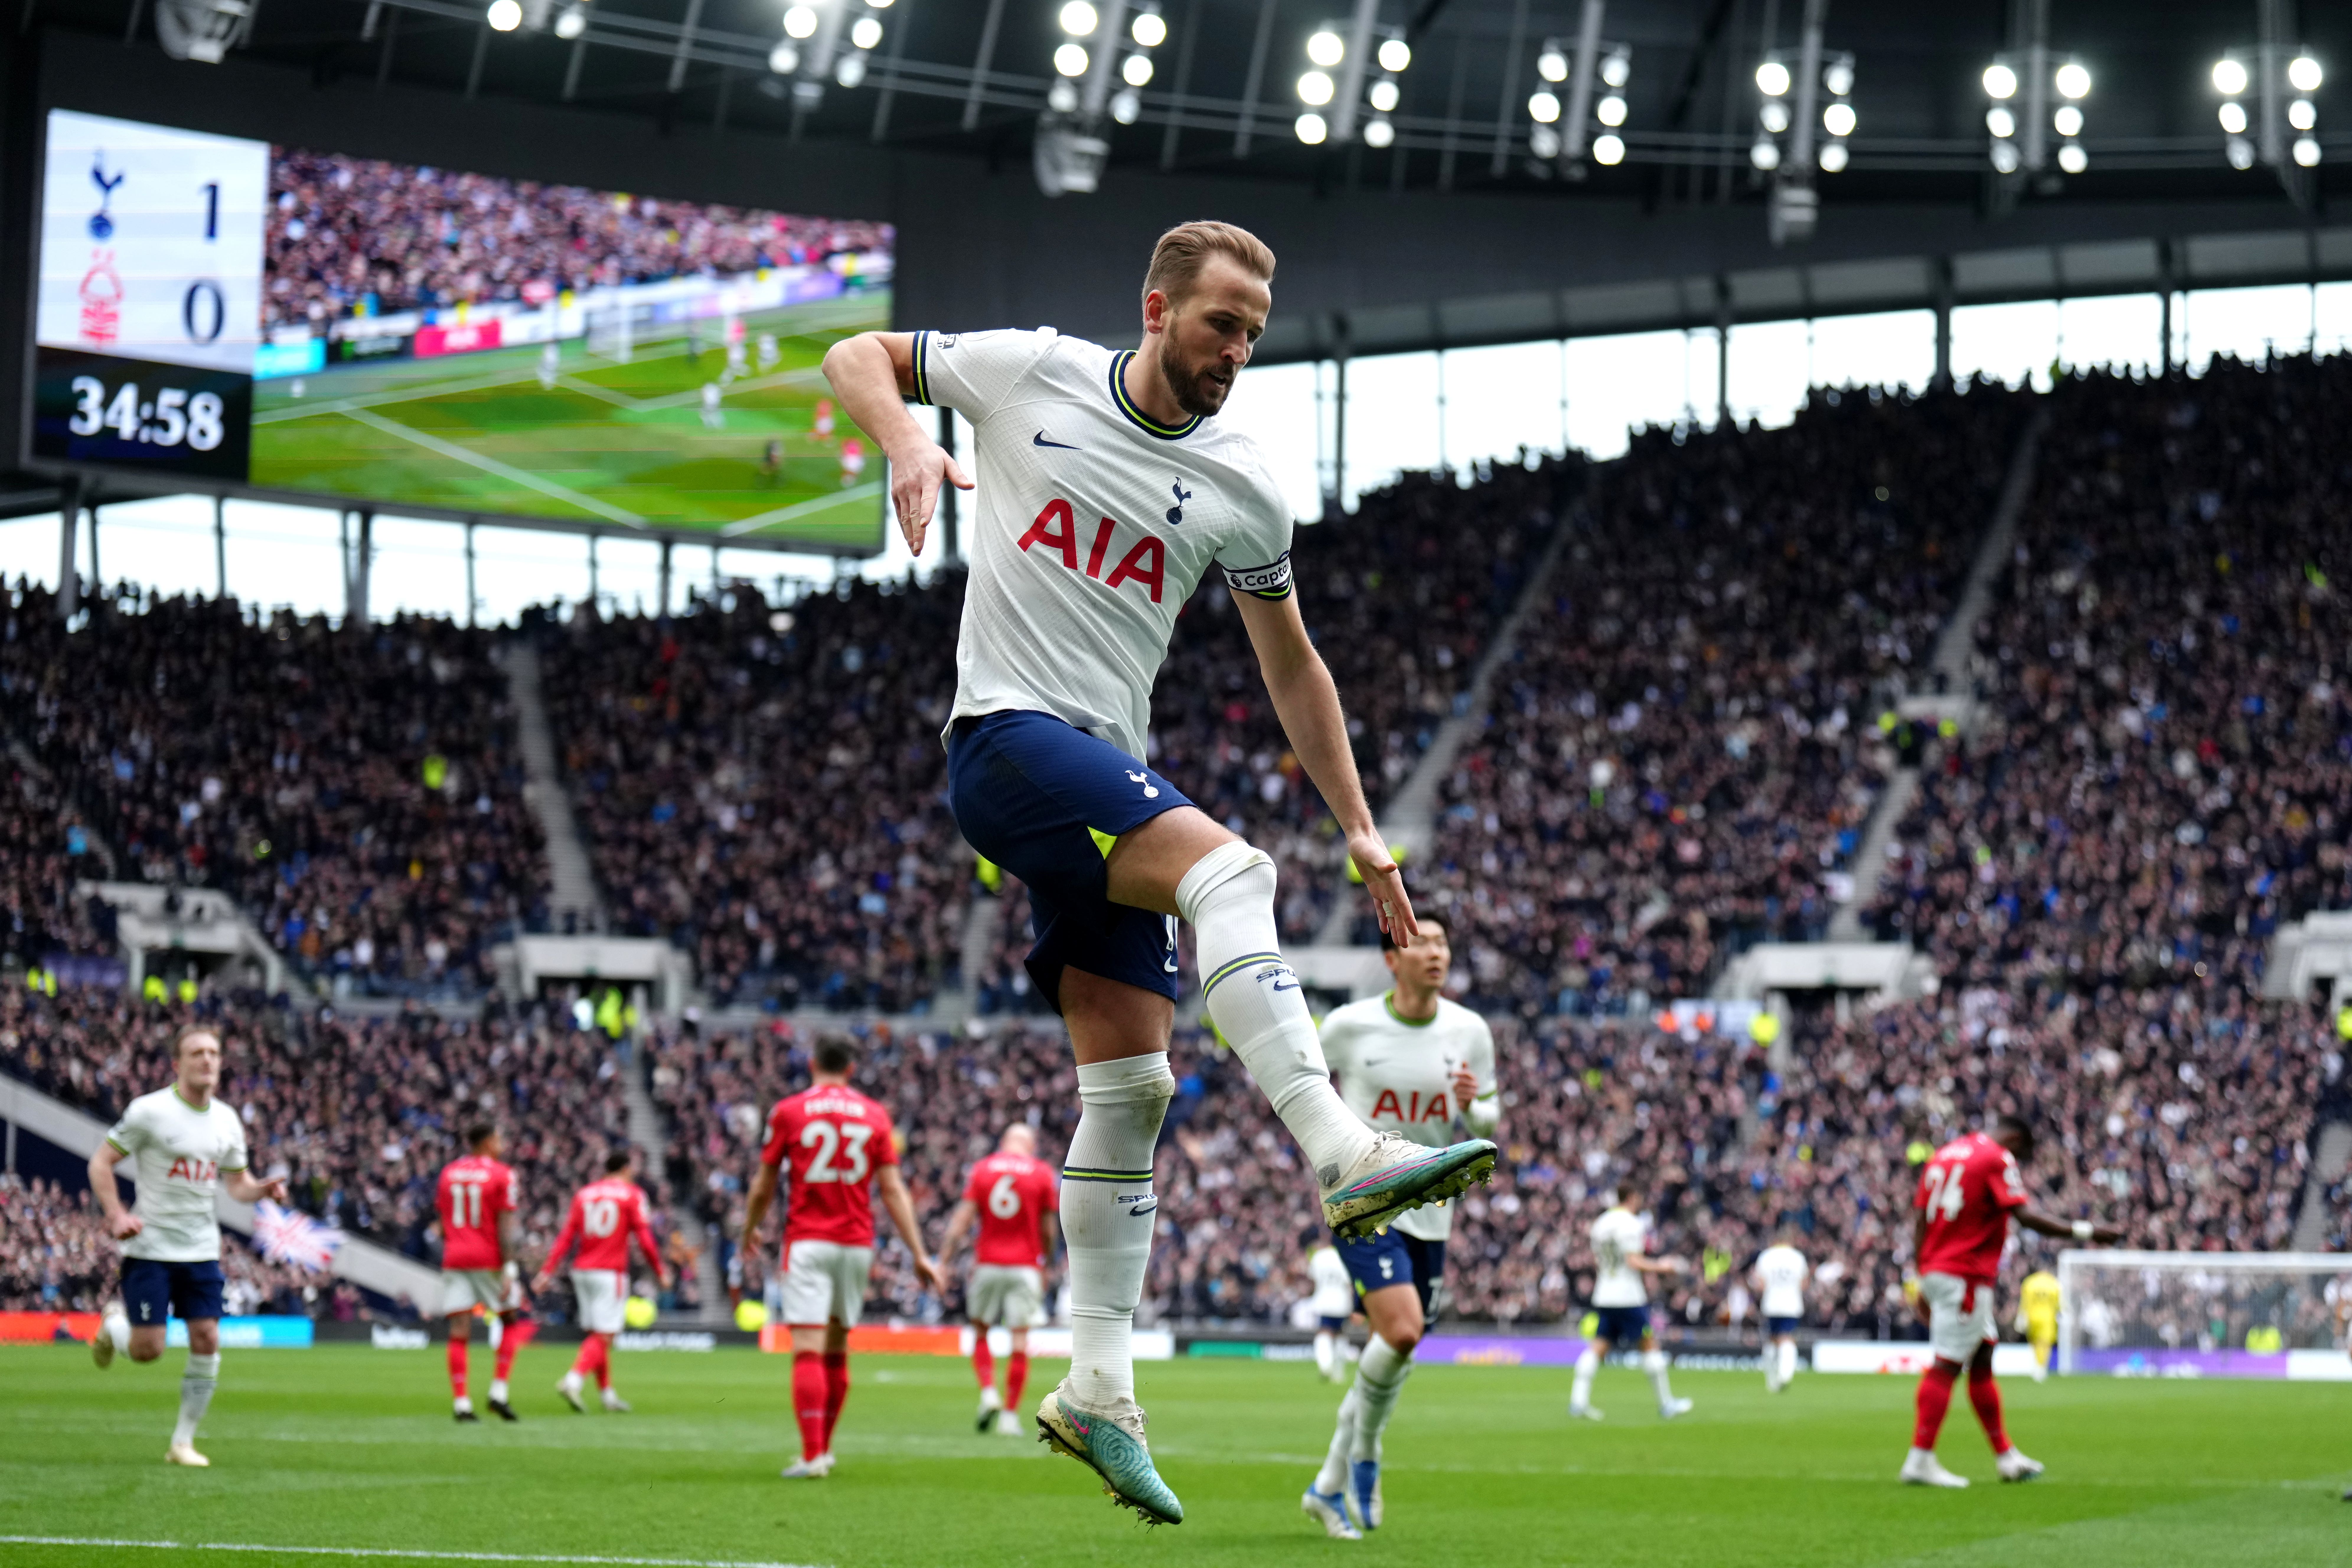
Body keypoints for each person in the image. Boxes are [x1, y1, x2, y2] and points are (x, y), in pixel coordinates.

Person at [821, 216, 1495, 1526]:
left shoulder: (1244, 483)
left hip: (1097, 773)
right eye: (1217, 324)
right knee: (1229, 869)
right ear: (1155, 307)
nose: (1234, 351)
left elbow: (1290, 663)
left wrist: (1360, 827)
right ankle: (1341, 1148)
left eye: (1251, 333)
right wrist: (909, 435)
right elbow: (857, 352)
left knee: (1131, 1082)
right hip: (1006, 740)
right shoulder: (1031, 374)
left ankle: (1095, 1392)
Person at [1302, 911, 1497, 1540]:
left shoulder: (1469, 1030)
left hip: (1433, 1213)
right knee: (1404, 1332)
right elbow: (1301, 1084)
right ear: (1392, 958)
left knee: (1394, 1354)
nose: (1436, 952)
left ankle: (1325, 1488)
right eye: (1422, 941)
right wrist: (1329, 1156)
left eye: (1443, 942)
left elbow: (1491, 1124)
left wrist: (1475, 1108)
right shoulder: (1350, 1025)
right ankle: (1367, 1453)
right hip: (1365, 1201)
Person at [742, 1033, 944, 1480]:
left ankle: (812, 1454)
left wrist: (749, 1227)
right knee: (836, 1352)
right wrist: (919, 1253)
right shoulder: (875, 1115)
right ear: (851, 1069)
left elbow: (763, 1185)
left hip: (809, 1241)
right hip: (856, 1245)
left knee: (808, 1350)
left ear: (812, 1063)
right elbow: (892, 1189)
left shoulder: (789, 1110)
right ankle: (824, 1450)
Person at [87, 1025, 289, 1466]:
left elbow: (237, 1185)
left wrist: (263, 1190)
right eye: (197, 1052)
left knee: (207, 1335)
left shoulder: (228, 1119)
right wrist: (117, 1215)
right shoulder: (149, 1111)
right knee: (148, 1350)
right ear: (177, 1063)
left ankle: (182, 1442)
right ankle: (111, 1325)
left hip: (201, 1248)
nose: (208, 1059)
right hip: (151, 1248)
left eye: (214, 1052)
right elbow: (101, 1160)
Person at [1900, 1113, 2122, 1488]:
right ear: (2017, 1140)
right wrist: (2088, 1231)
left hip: (1939, 1267)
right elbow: (2026, 1215)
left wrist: (1923, 1274)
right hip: (1963, 1274)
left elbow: (1921, 1218)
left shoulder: (1944, 1154)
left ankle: (2006, 1457)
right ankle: (1920, 1458)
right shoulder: (1996, 1157)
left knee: (1983, 1355)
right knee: (1947, 1365)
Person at [937, 1123, 1059, 1435]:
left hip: (988, 1262)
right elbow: (1048, 1230)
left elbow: (962, 1220)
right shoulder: (1042, 1172)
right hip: (1026, 1266)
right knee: (1020, 1340)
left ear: (1004, 1142)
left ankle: (989, 1391)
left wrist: (944, 1261)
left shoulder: (982, 1170)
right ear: (1030, 1145)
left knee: (981, 1331)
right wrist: (1044, 1263)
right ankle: (1009, 1415)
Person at [535, 1148, 669, 1414]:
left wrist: (547, 1271)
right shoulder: (632, 1195)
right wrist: (660, 1270)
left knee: (598, 1337)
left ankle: (608, 1395)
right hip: (610, 1272)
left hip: (582, 1271)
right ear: (627, 1168)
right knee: (606, 1336)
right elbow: (645, 1238)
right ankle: (573, 1380)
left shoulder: (584, 1194)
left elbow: (566, 1236)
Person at [1568, 1179, 1693, 1423]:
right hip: (1627, 1296)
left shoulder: (1601, 1223)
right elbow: (1633, 1261)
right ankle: (1666, 1404)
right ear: (1633, 1197)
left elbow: (1598, 1261)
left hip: (1604, 1292)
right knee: (1649, 1345)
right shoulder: (1631, 1224)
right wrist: (1664, 1266)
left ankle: (1578, 1402)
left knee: (1599, 1346)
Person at [436, 1123, 534, 1423]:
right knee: (510, 1319)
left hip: (455, 1257)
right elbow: (506, 1225)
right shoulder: (503, 1173)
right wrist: (510, 1265)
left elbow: (442, 1222)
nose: (503, 1142)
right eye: (500, 1137)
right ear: (489, 1141)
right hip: (488, 1258)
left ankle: (462, 1403)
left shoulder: (448, 1173)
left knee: (459, 1332)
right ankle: (499, 1392)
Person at [1751, 1230, 1809, 1393]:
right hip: (1791, 1303)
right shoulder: (1798, 1257)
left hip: (1771, 1303)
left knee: (1771, 1340)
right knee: (1787, 1338)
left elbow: (1760, 1284)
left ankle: (1771, 1380)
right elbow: (1804, 1283)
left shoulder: (1766, 1257)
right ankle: (1786, 1374)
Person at [1306, 1241, 1355, 1383]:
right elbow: (1350, 1283)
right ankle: (1338, 1373)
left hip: (1324, 1301)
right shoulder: (1345, 1256)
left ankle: (1325, 1365)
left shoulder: (1319, 1257)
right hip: (1343, 1302)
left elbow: (1313, 1280)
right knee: (1340, 1334)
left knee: (1324, 1332)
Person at [2015, 1267, 2061, 1383]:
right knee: (2045, 1344)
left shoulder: (2030, 1282)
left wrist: (2022, 1316)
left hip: (2032, 1317)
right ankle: (2041, 1367)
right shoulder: (2054, 1283)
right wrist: (2061, 1313)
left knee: (2035, 1343)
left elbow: (2025, 1301)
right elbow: (2059, 1302)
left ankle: (2037, 1366)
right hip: (2048, 1318)